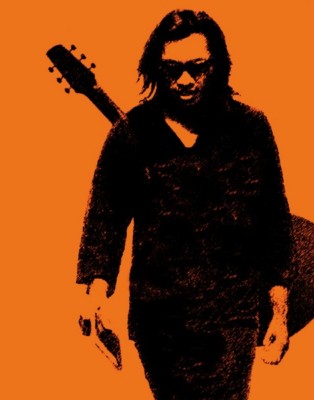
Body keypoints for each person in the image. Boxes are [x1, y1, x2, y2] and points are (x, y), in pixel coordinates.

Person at [76, 9, 292, 400]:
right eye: (172, 69)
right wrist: (94, 297)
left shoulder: (251, 129)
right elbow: (105, 219)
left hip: (232, 316)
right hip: (158, 319)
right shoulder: (130, 134)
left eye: (197, 67)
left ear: (218, 66)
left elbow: (274, 222)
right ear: (156, 69)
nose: (185, 80)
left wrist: (279, 311)